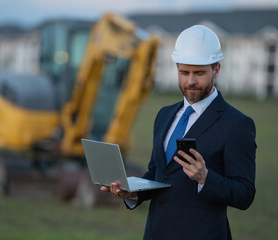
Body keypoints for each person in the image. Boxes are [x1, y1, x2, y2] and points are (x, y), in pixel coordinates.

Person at [101, 25, 256, 240]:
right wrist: (133, 191)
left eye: (199, 73)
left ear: (216, 70)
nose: (190, 81)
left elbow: (245, 194)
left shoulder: (238, 124)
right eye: (184, 72)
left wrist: (206, 178)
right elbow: (158, 174)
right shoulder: (164, 115)